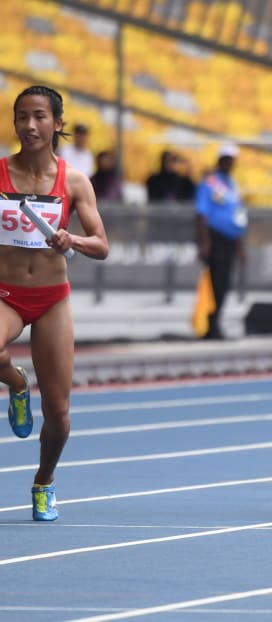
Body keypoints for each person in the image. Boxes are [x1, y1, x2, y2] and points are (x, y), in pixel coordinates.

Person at [1, 85, 109, 520]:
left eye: (40, 117)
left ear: (57, 123)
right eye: (22, 117)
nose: (30, 125)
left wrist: (73, 239)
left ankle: (44, 481)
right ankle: (16, 382)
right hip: (5, 293)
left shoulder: (75, 181)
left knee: (59, 413)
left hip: (51, 300)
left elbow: (102, 245)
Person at [195, 143, 247, 340]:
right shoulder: (209, 183)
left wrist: (240, 245)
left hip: (230, 239)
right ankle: (210, 324)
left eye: (231, 160)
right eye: (225, 159)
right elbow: (201, 214)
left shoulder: (232, 185)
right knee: (215, 283)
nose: (228, 163)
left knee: (225, 284)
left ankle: (216, 322)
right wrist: (205, 242)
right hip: (215, 237)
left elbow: (238, 215)